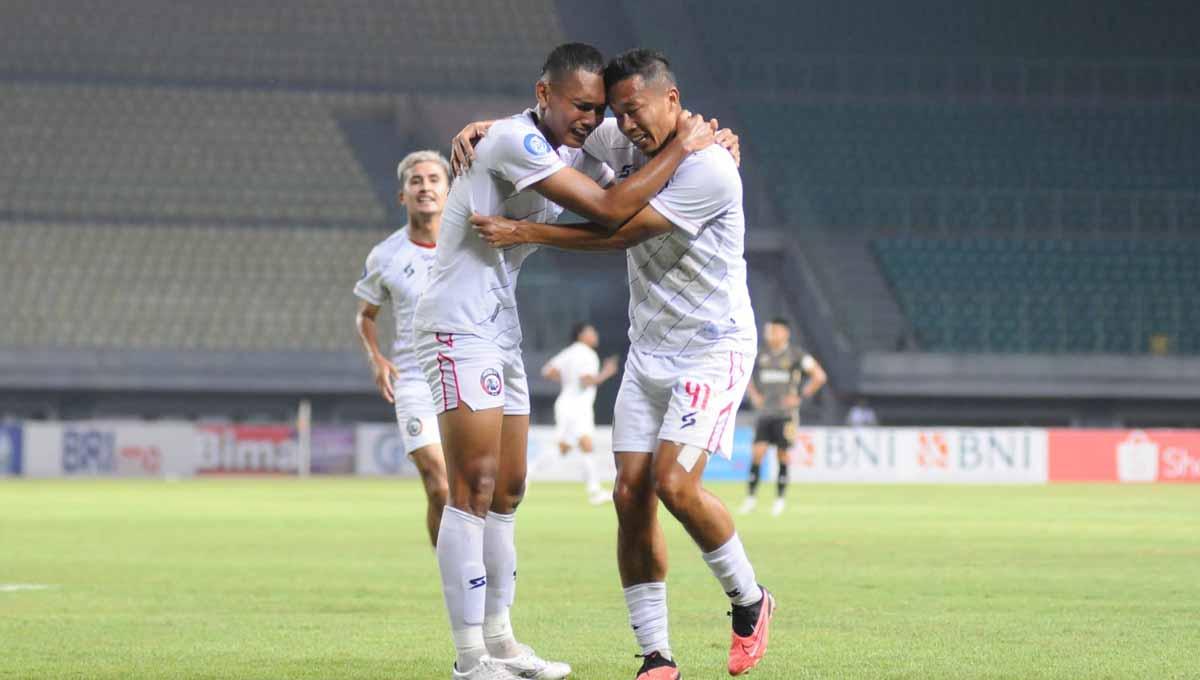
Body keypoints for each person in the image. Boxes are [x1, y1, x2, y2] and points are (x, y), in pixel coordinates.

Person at [411, 42, 719, 680]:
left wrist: (709, 154)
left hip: (499, 325)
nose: (591, 118)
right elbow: (609, 209)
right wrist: (688, 151)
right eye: (580, 105)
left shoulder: (563, 148)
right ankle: (470, 660)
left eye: (597, 107)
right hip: (455, 324)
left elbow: (629, 202)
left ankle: (501, 642)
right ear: (544, 94)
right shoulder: (511, 143)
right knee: (470, 489)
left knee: (509, 489)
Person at [468, 49, 773, 680]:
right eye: (618, 113)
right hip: (648, 351)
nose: (624, 125)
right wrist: (488, 128)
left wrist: (530, 233)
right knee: (629, 495)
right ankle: (656, 656)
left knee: (675, 485)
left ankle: (750, 600)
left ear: (671, 98)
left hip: (712, 348)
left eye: (635, 111)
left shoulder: (712, 168)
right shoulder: (622, 135)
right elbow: (558, 123)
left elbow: (620, 230)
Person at [354, 150, 451, 547]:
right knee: (440, 485)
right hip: (413, 380)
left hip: (465, 375)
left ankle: (481, 581)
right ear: (402, 196)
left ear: (449, 191)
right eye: (416, 181)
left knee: (479, 490)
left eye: (433, 180)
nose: (425, 187)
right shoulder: (386, 256)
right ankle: (454, 586)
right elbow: (366, 315)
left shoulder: (473, 242)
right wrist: (377, 359)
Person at [741, 317, 826, 517]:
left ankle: (779, 500)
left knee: (783, 456)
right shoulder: (760, 355)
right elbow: (745, 375)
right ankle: (751, 499)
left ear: (784, 333)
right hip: (764, 413)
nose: (769, 334)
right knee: (757, 454)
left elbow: (819, 376)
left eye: (774, 331)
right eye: (768, 331)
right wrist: (754, 395)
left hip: (786, 415)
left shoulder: (797, 355)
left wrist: (800, 396)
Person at [540, 322, 619, 504]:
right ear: (581, 335)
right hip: (577, 406)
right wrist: (606, 373)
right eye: (591, 332)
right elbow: (586, 380)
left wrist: (567, 382)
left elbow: (547, 371)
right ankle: (595, 491)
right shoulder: (588, 355)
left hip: (567, 403)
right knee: (583, 444)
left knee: (565, 447)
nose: (595, 335)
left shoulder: (569, 352)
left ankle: (526, 475)